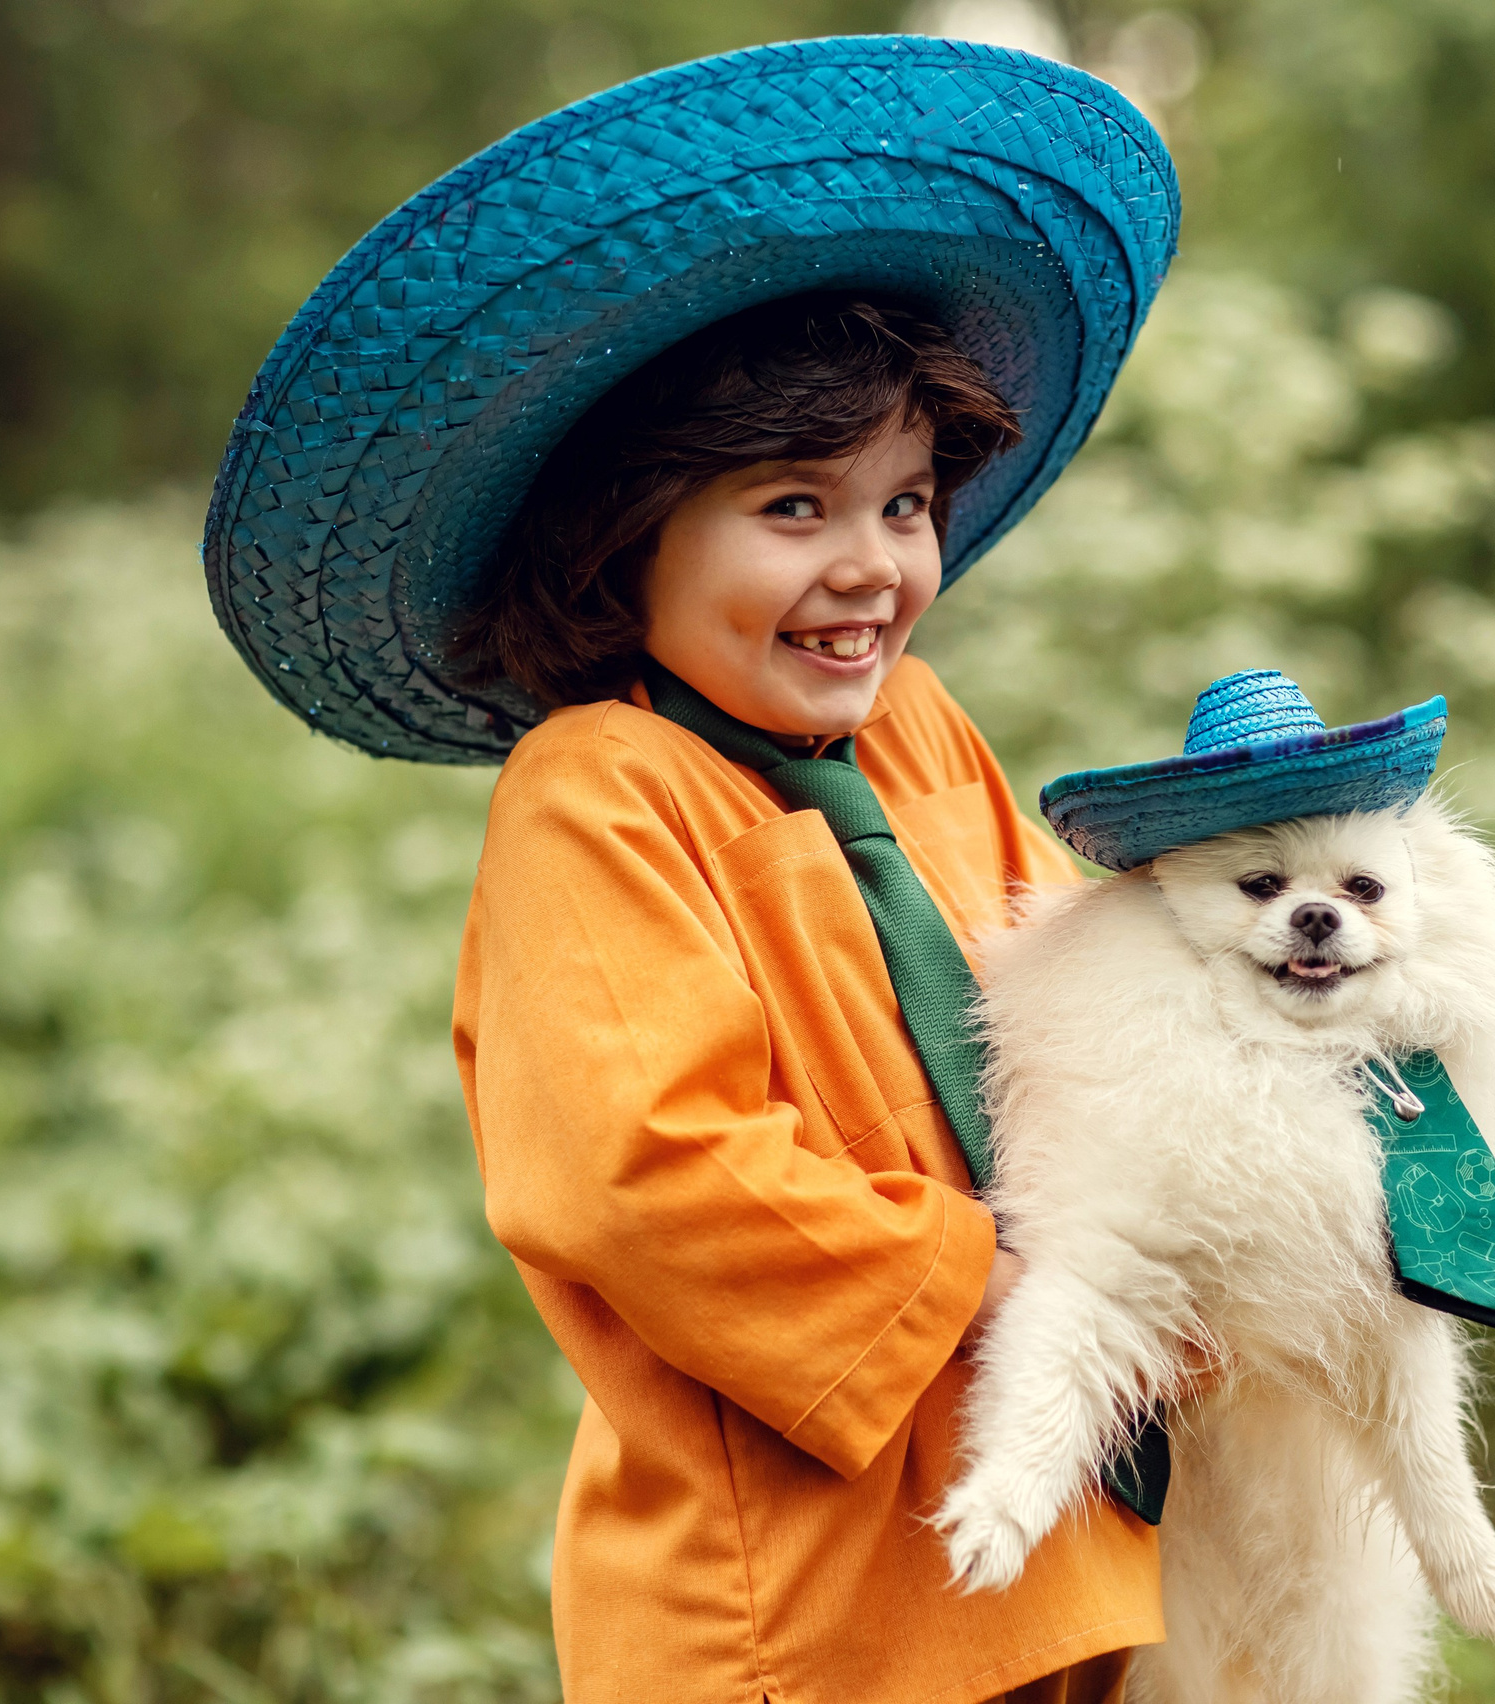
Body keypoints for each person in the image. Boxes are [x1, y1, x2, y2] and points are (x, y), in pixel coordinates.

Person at [200, 37, 1181, 1704]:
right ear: (623, 531)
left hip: (1048, 1523)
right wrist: (996, 1286)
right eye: (793, 507)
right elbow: (644, 1171)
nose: (871, 567)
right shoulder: (598, 798)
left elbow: (1079, 1004)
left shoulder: (924, 736)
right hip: (795, 1602)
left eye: (907, 503)